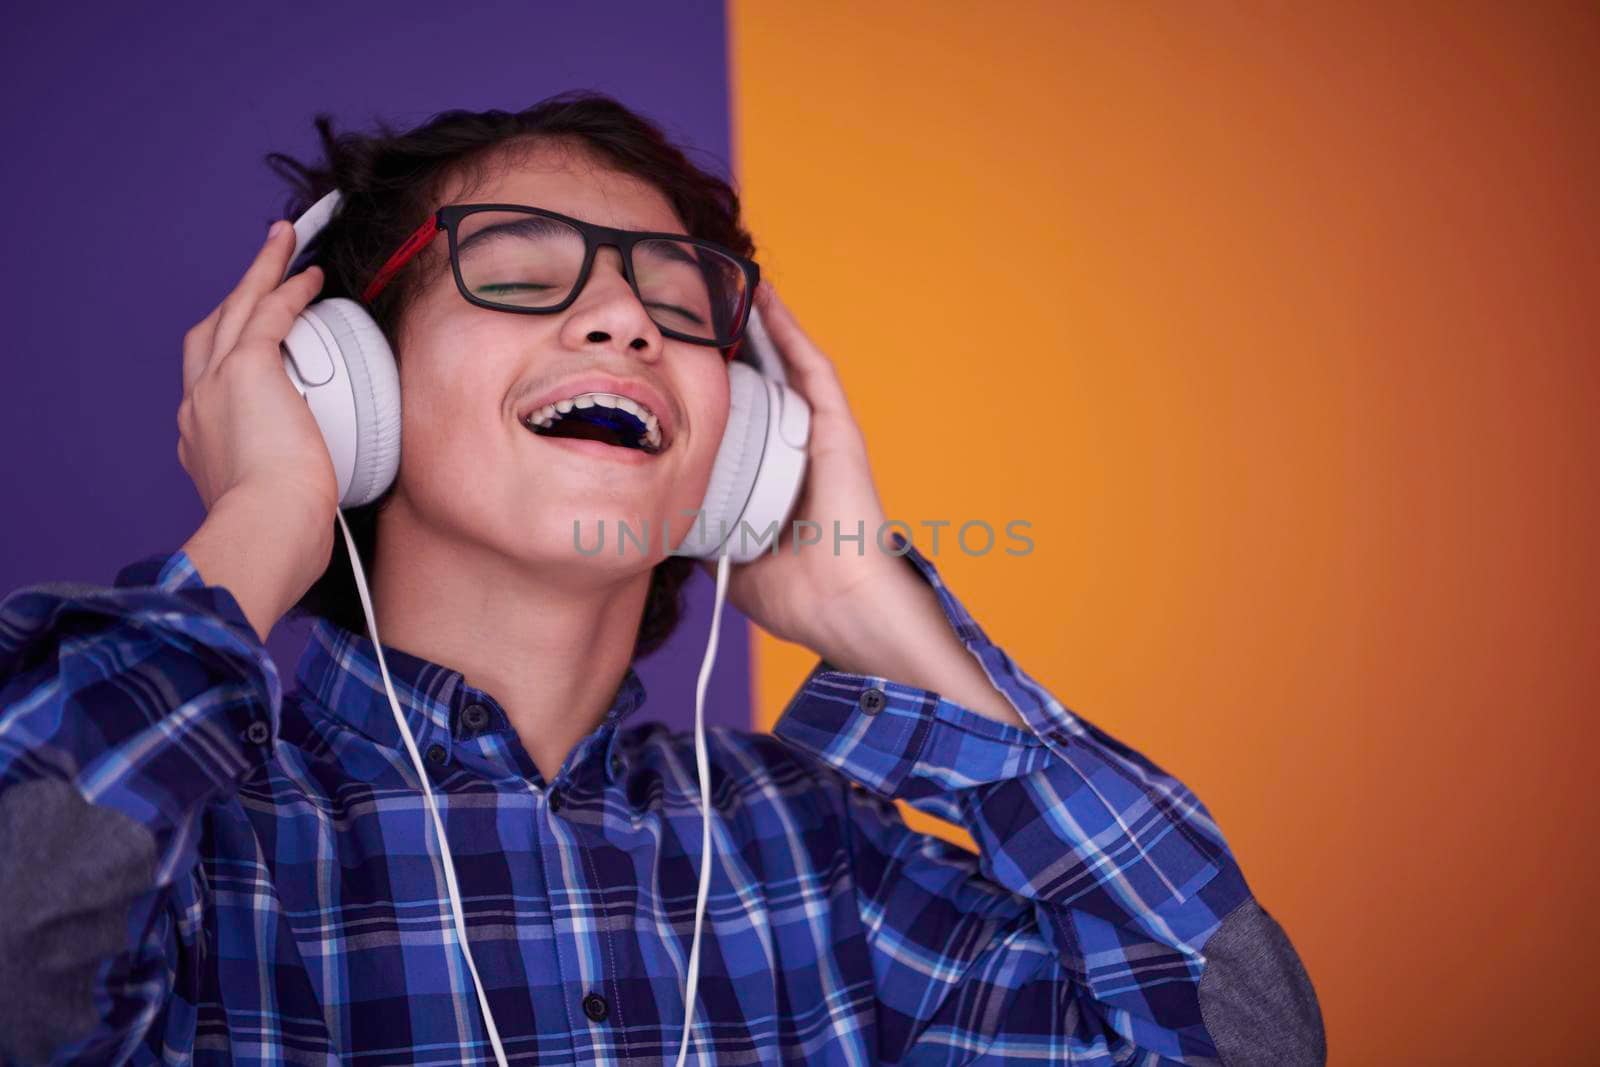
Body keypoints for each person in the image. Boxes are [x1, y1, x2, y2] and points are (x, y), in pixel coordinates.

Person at [0, 92, 1325, 1065]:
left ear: (742, 445)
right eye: (519, 277)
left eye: (684, 313)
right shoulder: (201, 847)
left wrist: (874, 607)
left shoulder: (819, 852)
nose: (627, 320)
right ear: (344, 389)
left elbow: (1242, 1039)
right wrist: (267, 512)